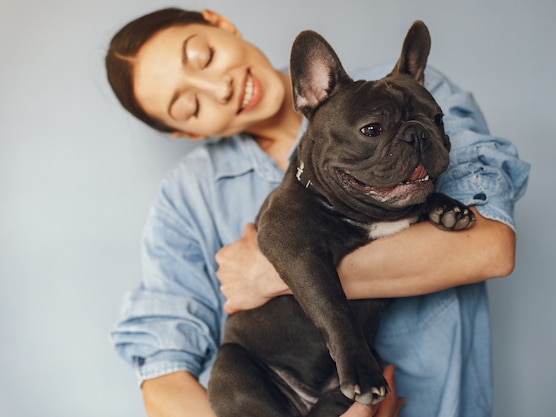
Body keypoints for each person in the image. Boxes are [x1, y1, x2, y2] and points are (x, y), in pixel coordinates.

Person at [106, 7, 529, 417]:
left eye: (205, 57)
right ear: (186, 131)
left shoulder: (407, 90)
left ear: (218, 22)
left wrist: (272, 275)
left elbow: (491, 247)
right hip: (271, 380)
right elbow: (163, 378)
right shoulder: (188, 197)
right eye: (190, 106)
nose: (220, 89)